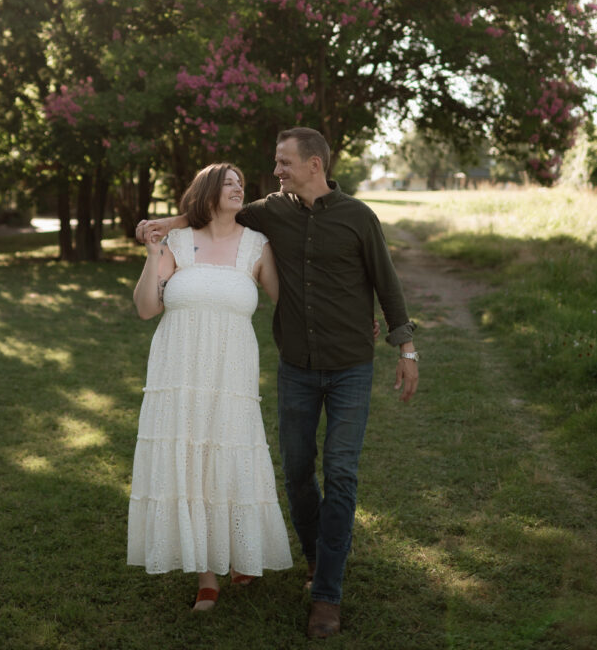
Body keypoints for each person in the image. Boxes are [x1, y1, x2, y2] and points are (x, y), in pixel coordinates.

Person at [138, 127, 418, 638]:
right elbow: (212, 213)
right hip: (297, 365)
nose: (276, 171)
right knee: (295, 472)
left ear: (315, 164)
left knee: (340, 473)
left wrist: (404, 346)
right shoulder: (272, 211)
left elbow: (386, 281)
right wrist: (164, 223)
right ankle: (314, 558)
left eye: (284, 162)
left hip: (351, 363)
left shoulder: (359, 217)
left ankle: (327, 595)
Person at [128, 162, 293, 612]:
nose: (239, 187)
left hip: (232, 374)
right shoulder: (176, 242)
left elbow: (288, 302)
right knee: (190, 459)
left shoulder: (258, 245)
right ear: (206, 191)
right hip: (178, 374)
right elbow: (146, 309)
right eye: (229, 182)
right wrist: (152, 253)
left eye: (242, 181)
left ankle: (240, 552)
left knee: (231, 456)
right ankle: (206, 574)